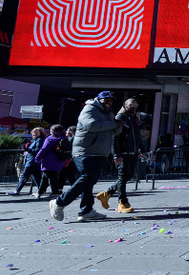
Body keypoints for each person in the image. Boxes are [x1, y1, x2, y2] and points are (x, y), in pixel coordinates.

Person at [49, 91, 123, 222]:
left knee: (89, 181)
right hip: (85, 151)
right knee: (88, 177)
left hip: (99, 152)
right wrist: (113, 124)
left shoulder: (109, 113)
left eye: (111, 100)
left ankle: (86, 210)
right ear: (99, 100)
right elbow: (91, 125)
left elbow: (115, 130)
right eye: (106, 100)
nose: (109, 103)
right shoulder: (90, 109)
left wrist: (118, 125)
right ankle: (59, 202)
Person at [96, 98, 145, 213]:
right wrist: (116, 154)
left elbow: (137, 136)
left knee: (129, 175)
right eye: (131, 104)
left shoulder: (133, 118)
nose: (134, 106)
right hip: (123, 153)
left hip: (132, 152)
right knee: (122, 178)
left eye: (135, 104)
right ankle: (122, 202)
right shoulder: (120, 118)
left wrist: (142, 149)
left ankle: (106, 194)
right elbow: (115, 137)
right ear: (125, 105)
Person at [8, 127, 45, 196]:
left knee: (24, 176)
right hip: (35, 162)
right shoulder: (37, 140)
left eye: (36, 132)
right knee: (37, 177)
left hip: (32, 161)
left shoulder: (39, 140)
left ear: (40, 133)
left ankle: (17, 191)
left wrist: (28, 149)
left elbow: (37, 151)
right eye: (33, 132)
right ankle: (41, 191)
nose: (34, 133)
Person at [34, 124, 67, 196]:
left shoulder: (50, 139)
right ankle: (40, 192)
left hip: (49, 160)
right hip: (60, 160)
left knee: (51, 177)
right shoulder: (64, 138)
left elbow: (44, 149)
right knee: (46, 177)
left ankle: (54, 192)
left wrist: (37, 158)